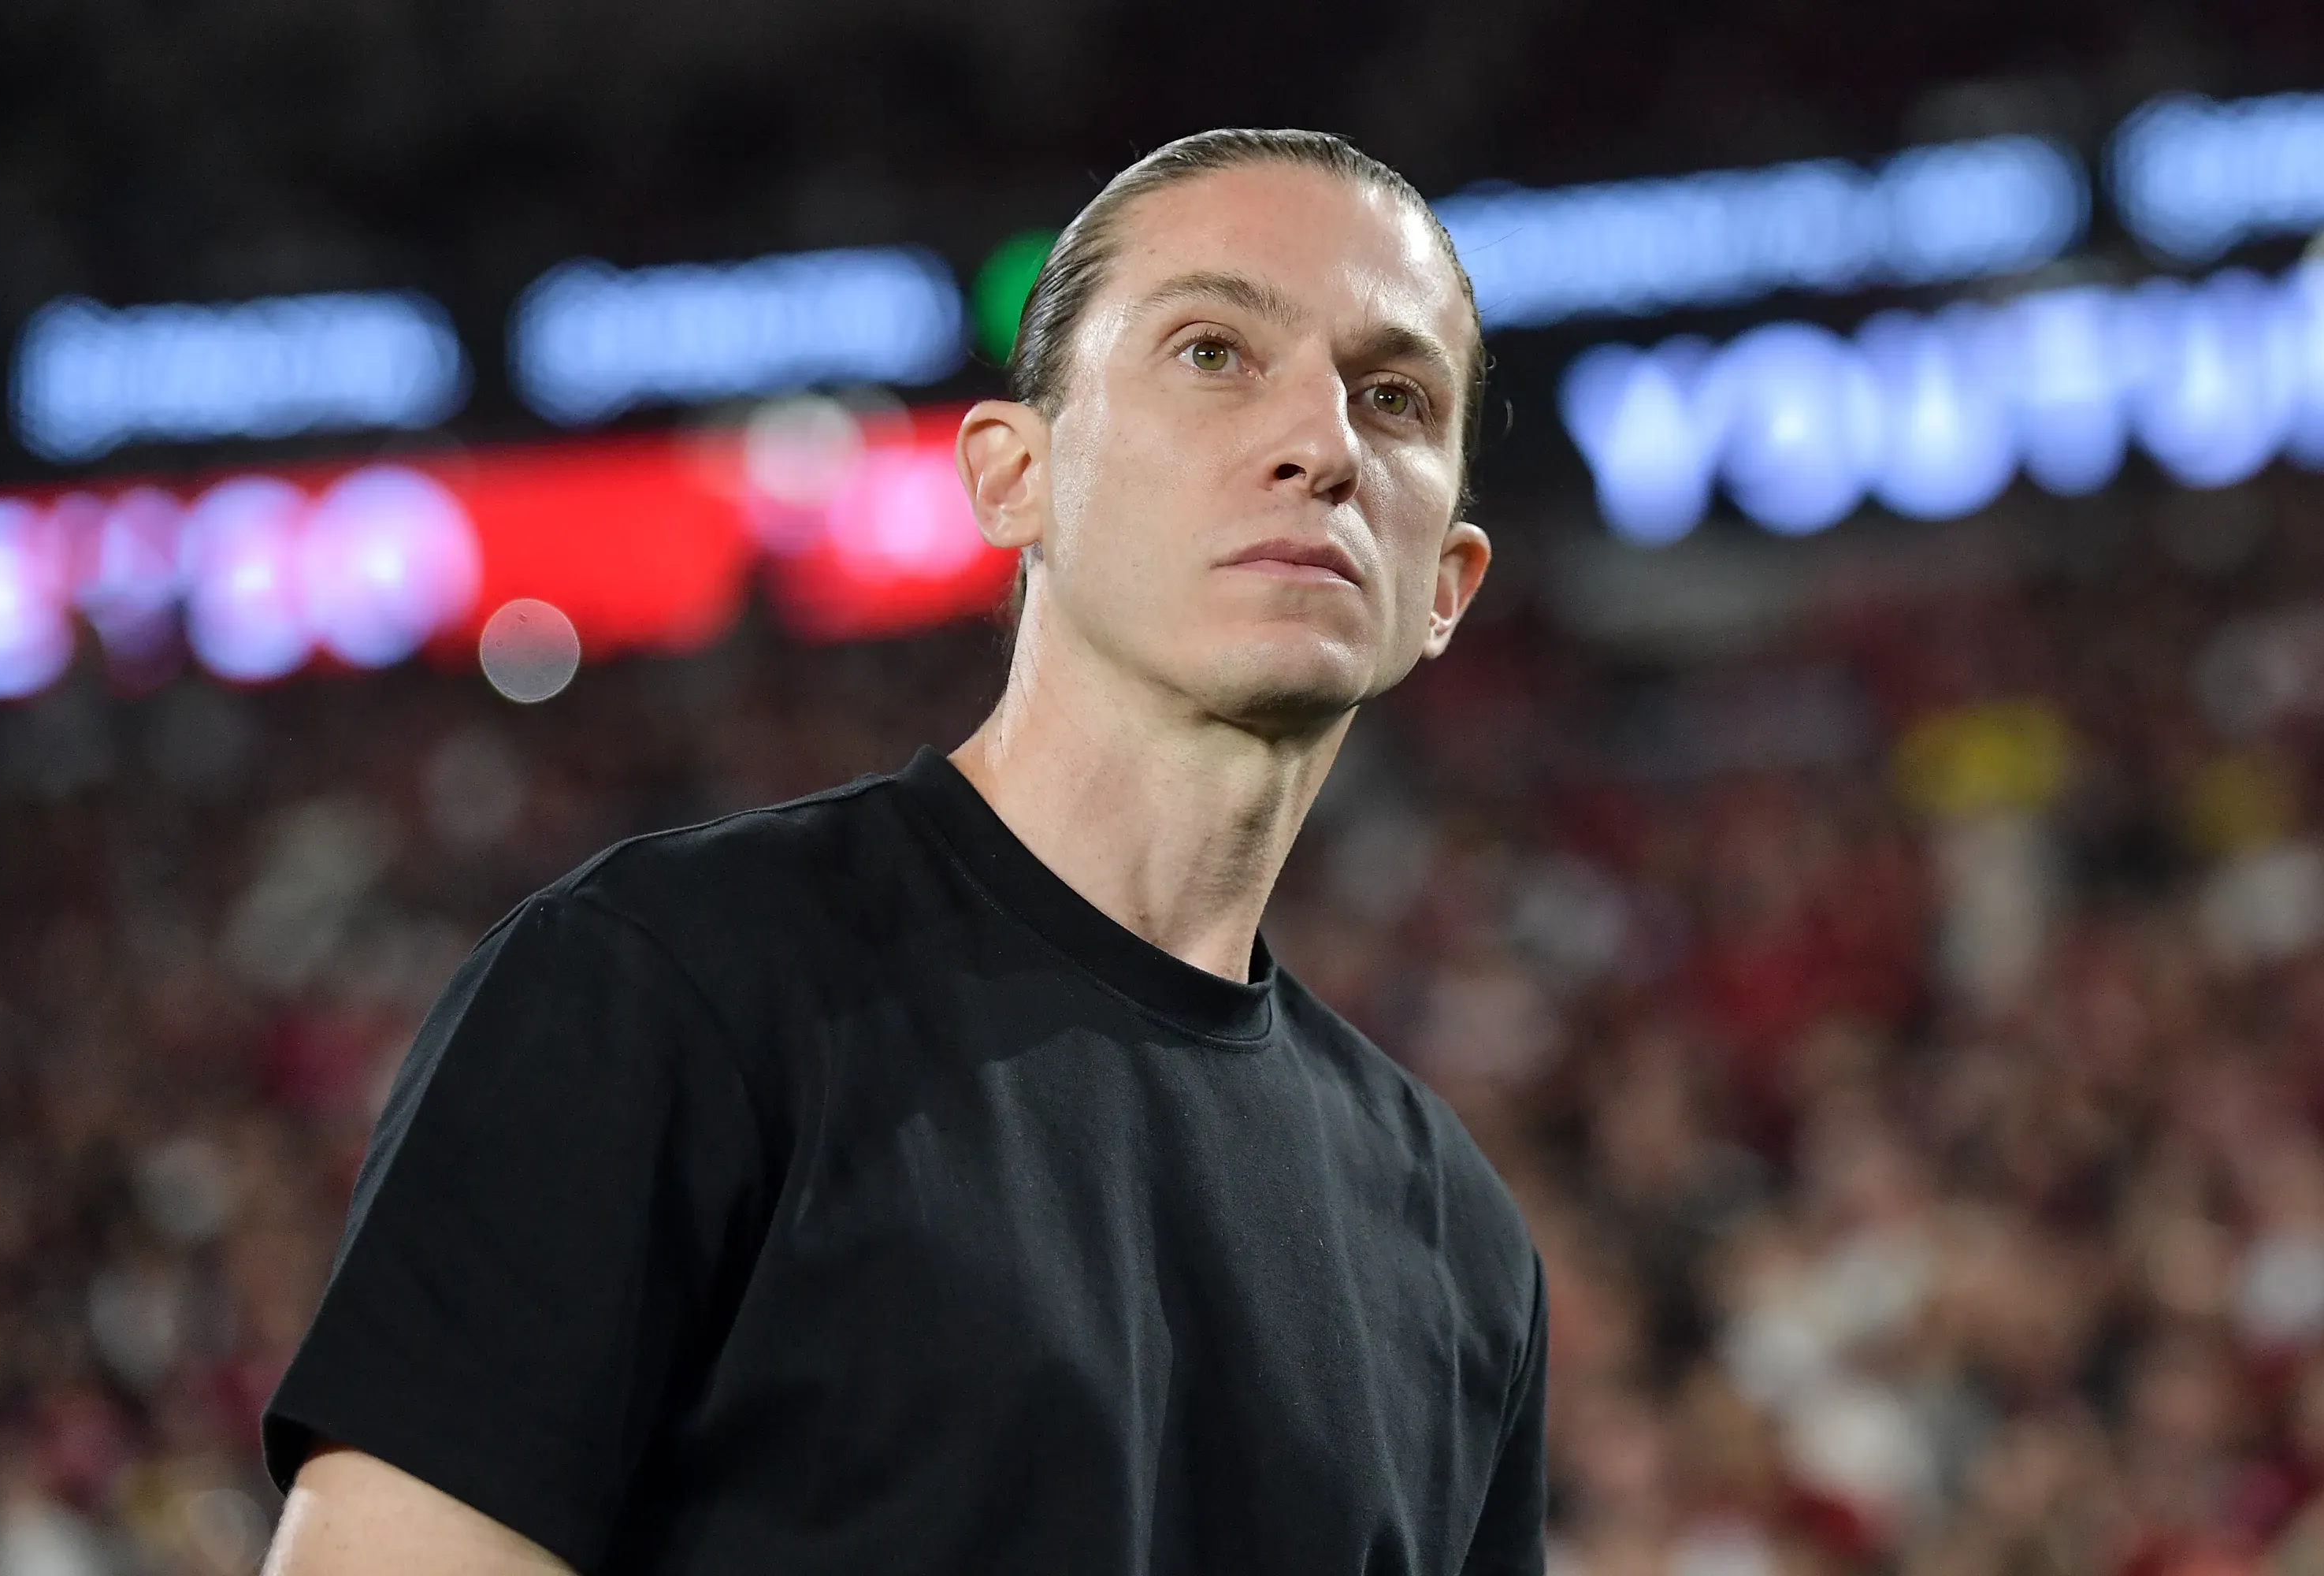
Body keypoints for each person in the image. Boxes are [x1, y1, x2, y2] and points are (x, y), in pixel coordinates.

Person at [259, 127, 1546, 1575]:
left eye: (1393, 395)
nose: (1321, 444)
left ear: (1446, 586)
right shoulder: (662, 990)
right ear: (1012, 478)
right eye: (1211, 353)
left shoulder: (1462, 1250)